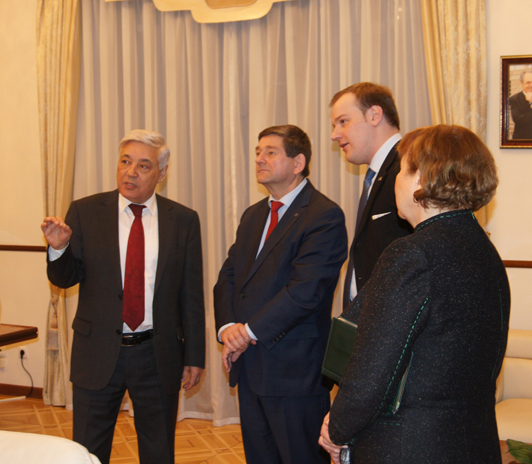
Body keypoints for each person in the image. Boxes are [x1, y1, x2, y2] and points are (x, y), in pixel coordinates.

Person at [319, 125, 511, 464]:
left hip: (410, 446)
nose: (395, 180)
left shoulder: (412, 254)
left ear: (420, 179)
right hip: (472, 443)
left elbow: (373, 369)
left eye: (401, 170)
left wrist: (337, 428)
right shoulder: (486, 252)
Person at [40, 129, 205, 464]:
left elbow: (191, 294)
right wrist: (59, 250)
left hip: (157, 354)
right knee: (87, 451)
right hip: (97, 350)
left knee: (158, 452)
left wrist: (195, 355)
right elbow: (66, 279)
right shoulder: (85, 212)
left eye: (143, 166)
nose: (130, 172)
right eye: (125, 162)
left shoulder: (183, 220)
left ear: (161, 173)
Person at [214, 124, 347, 464]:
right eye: (258, 152)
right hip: (250, 367)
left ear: (298, 162)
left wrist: (247, 332)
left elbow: (304, 292)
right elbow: (229, 276)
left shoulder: (324, 215)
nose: (259, 159)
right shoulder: (253, 215)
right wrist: (228, 327)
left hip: (294, 373)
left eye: (270, 152)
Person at [330, 82, 412, 308]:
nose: (334, 135)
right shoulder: (377, 173)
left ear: (375, 115)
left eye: (343, 122)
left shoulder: (409, 168)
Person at [509, 69, 532, 139]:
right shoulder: (514, 99)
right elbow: (518, 120)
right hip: (522, 139)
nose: (531, 85)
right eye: (528, 82)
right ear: (521, 83)